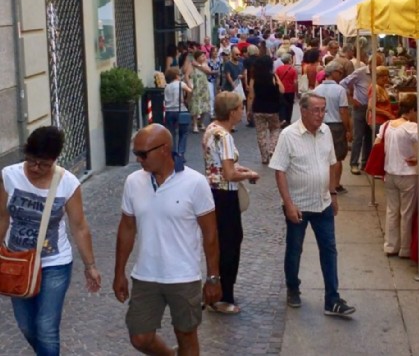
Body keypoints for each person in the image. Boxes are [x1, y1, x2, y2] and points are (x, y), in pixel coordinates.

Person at [113, 124, 222, 355]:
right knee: (140, 337)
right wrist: (119, 272)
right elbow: (127, 228)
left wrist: (213, 277)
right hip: (145, 275)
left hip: (183, 276)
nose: (139, 159)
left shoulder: (195, 183)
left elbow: (210, 234)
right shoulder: (133, 182)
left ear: (164, 149)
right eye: (136, 154)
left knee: (186, 335)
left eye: (143, 154)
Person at [0, 126, 101, 355]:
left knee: (46, 327)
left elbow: (79, 226)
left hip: (54, 263)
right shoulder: (9, 176)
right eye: (31, 161)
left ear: (55, 160)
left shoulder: (68, 183)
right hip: (17, 261)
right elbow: (2, 217)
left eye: (43, 164)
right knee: (26, 326)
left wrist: (90, 266)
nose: (36, 168)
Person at [269, 93, 356, 318]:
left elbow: (331, 163)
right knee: (295, 249)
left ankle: (332, 299)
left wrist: (333, 193)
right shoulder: (289, 135)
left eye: (323, 110)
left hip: (323, 203)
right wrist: (288, 204)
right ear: (304, 111)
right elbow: (279, 171)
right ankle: (293, 287)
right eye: (316, 110)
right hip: (298, 205)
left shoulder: (326, 131)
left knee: (329, 249)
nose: (320, 115)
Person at [202, 92, 260, 314]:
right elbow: (227, 173)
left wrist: (241, 169)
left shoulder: (211, 129)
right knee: (230, 245)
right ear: (232, 111)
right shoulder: (225, 136)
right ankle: (223, 296)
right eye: (240, 107)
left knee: (219, 243)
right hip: (225, 195)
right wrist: (248, 174)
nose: (242, 111)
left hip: (212, 193)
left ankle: (213, 290)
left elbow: (217, 166)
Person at [377, 94, 419, 258]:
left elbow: (376, 145)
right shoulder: (413, 127)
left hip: (390, 172)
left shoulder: (386, 125)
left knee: (392, 210)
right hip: (407, 173)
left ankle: (391, 246)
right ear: (413, 110)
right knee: (406, 212)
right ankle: (405, 248)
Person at [314, 61, 352, 195]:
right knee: (337, 157)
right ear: (334, 73)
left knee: (322, 156)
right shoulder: (340, 90)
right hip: (336, 126)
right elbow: (343, 111)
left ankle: (323, 183)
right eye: (340, 72)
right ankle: (335, 184)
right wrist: (348, 129)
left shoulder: (317, 90)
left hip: (321, 125)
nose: (341, 75)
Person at [340, 54, 383, 174]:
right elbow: (343, 83)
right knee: (358, 137)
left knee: (369, 136)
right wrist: (351, 99)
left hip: (373, 109)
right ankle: (354, 163)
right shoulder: (360, 73)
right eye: (376, 65)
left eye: (380, 65)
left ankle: (365, 163)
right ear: (370, 63)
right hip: (360, 107)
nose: (378, 67)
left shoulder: (379, 73)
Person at [247, 55, 285, 164]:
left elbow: (251, 96)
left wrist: (249, 110)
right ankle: (271, 149)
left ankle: (264, 156)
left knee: (261, 133)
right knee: (275, 129)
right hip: (273, 108)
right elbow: (282, 90)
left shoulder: (254, 78)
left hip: (258, 108)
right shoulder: (273, 76)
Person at [164, 67, 193, 169]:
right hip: (181, 111)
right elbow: (190, 91)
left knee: (171, 133)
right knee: (183, 133)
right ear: (176, 76)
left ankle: (172, 153)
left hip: (169, 111)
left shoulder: (167, 86)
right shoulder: (181, 84)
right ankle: (180, 153)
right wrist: (186, 100)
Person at [367, 65, 395, 135]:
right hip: (377, 122)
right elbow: (371, 107)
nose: (385, 78)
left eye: (386, 75)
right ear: (376, 77)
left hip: (383, 121)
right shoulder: (374, 88)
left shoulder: (381, 86)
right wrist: (388, 114)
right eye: (382, 76)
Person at [275, 52, 298, 127]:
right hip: (290, 90)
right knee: (290, 105)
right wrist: (296, 91)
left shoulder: (278, 69)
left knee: (282, 105)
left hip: (281, 90)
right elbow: (295, 82)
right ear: (289, 60)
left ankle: (282, 119)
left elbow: (276, 79)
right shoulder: (293, 70)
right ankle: (288, 120)